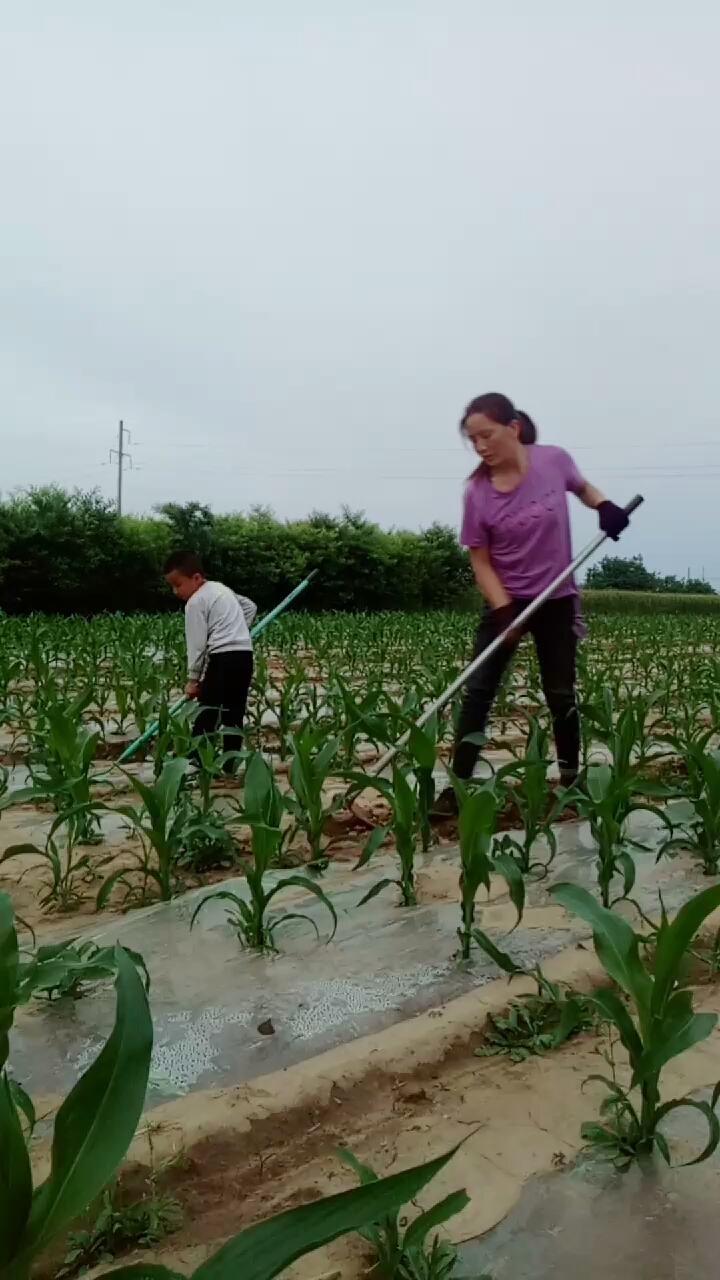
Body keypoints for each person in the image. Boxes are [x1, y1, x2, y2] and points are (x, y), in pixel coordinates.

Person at [433, 392, 631, 815]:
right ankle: (458, 787)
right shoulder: (478, 494)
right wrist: (504, 608)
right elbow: (480, 560)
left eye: (486, 435)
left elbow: (582, 487)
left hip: (557, 596)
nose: (481, 446)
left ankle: (571, 783)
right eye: (473, 440)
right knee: (479, 691)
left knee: (561, 694)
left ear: (513, 428)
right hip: (506, 599)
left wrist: (604, 506)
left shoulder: (553, 460)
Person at [163, 551, 257, 761]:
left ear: (196, 578)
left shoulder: (195, 602)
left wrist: (193, 680)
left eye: (178, 584)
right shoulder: (220, 589)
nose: (175, 591)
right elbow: (250, 607)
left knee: (206, 713)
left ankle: (197, 764)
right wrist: (239, 631)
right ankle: (230, 767)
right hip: (244, 655)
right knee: (234, 715)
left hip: (223, 659)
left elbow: (196, 645)